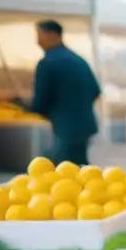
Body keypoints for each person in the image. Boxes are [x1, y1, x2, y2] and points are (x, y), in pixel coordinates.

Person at [28, 20, 100, 166]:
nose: (37, 41)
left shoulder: (48, 63)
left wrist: (26, 106)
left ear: (51, 35)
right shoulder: (78, 60)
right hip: (84, 125)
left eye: (39, 35)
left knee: (61, 172)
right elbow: (95, 90)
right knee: (80, 168)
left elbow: (40, 101)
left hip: (66, 128)